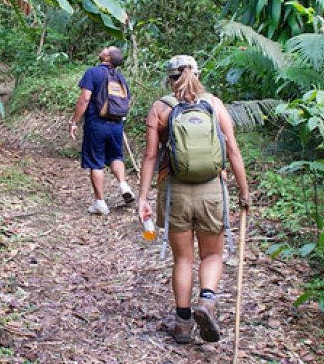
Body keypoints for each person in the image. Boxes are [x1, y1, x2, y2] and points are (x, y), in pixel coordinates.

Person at [137, 55, 250, 344]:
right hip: (213, 190)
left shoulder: (161, 108)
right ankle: (208, 301)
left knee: (183, 259)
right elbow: (233, 150)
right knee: (212, 254)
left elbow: (151, 156)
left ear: (169, 78)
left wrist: (142, 197)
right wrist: (245, 192)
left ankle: (184, 324)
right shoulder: (214, 104)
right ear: (197, 74)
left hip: (175, 191)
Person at [69, 46, 136, 215]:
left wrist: (74, 121)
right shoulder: (119, 77)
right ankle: (123, 185)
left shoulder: (93, 73)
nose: (103, 49)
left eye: (107, 49)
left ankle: (100, 203)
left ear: (107, 57)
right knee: (116, 156)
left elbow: (85, 99)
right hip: (116, 124)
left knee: (96, 162)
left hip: (96, 124)